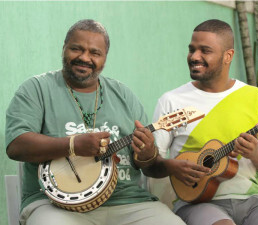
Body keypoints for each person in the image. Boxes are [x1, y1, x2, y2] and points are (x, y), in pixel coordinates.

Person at [5, 19, 185, 225]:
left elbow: (150, 168)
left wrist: (147, 154)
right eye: (76, 49)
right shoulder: (36, 89)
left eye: (94, 53)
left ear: (104, 58)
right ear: (64, 48)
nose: (84, 58)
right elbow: (16, 145)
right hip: (55, 205)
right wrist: (73, 145)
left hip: (129, 203)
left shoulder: (124, 95)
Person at [144, 19, 258, 225]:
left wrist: (255, 153)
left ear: (228, 56)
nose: (194, 57)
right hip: (195, 203)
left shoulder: (254, 97)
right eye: (192, 49)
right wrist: (174, 167)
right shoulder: (171, 100)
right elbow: (152, 167)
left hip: (253, 201)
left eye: (205, 50)